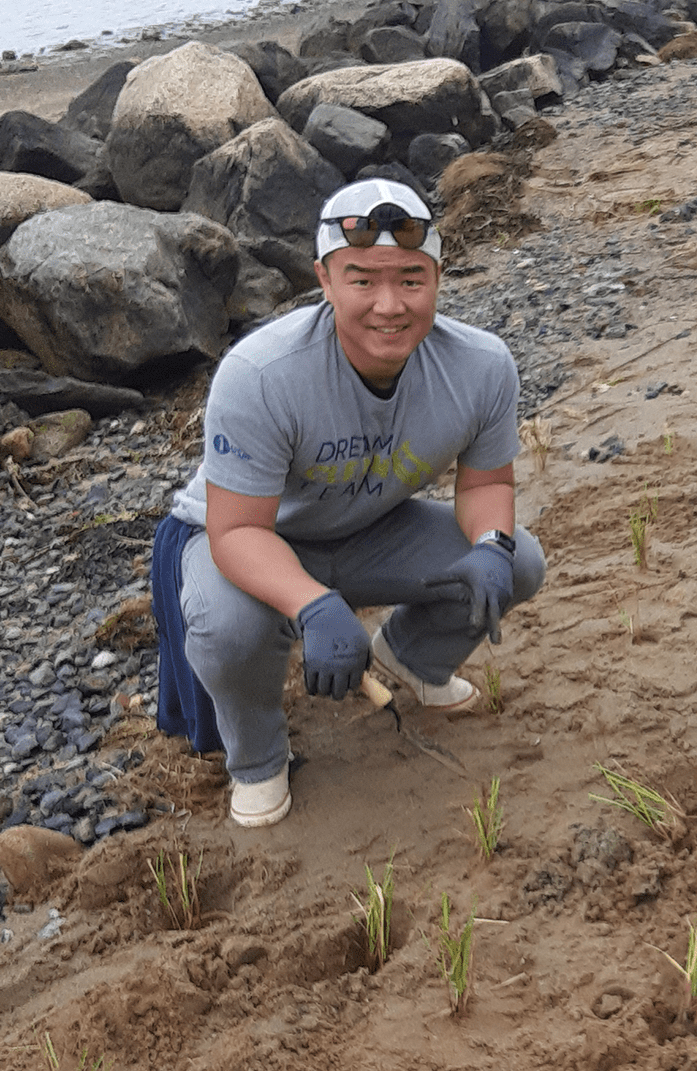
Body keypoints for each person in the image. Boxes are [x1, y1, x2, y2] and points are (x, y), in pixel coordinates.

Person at [150, 177, 546, 827]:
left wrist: (491, 545)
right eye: (362, 279)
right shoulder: (261, 375)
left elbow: (485, 485)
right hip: (251, 537)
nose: (389, 304)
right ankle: (258, 758)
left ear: (438, 277)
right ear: (324, 280)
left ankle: (409, 659)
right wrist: (313, 604)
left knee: (521, 560)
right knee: (231, 627)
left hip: (368, 528)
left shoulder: (482, 366)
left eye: (411, 279)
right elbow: (235, 531)